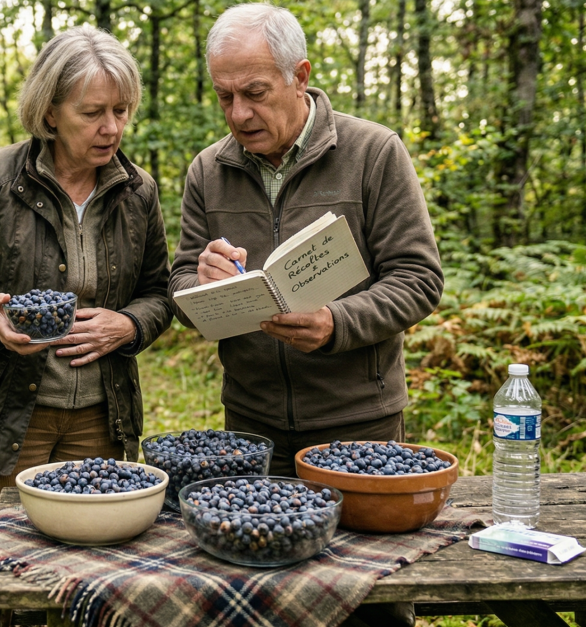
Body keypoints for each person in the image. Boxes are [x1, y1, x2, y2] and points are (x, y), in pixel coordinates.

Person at [169, 4, 441, 625]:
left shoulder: (374, 153)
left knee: (368, 598)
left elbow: (420, 279)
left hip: (358, 429)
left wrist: (337, 323)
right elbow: (181, 283)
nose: (239, 114)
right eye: (224, 97)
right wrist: (201, 280)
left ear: (300, 74)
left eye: (255, 93)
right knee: (256, 598)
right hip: (251, 426)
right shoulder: (208, 172)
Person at [0, 25, 172, 627]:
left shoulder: (138, 193)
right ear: (50, 112)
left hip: (99, 421)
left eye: (121, 110)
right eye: (93, 113)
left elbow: (161, 291)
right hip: (2, 413)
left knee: (84, 588)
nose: (112, 127)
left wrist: (128, 325)